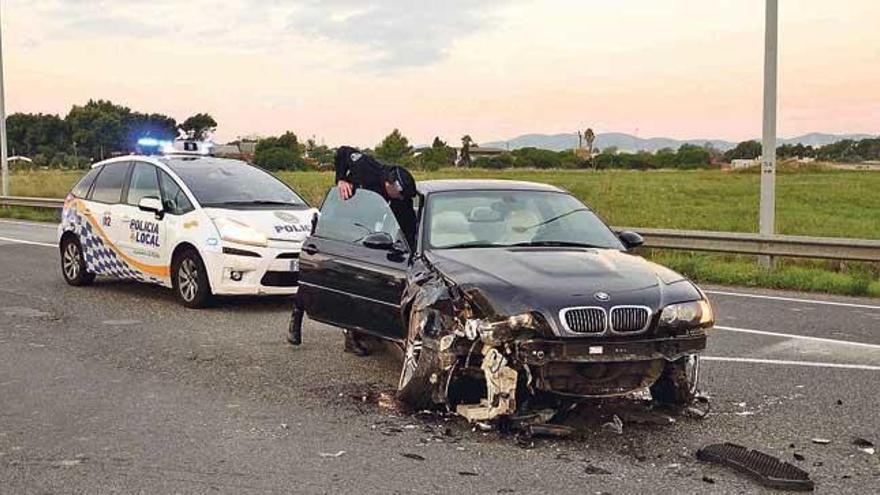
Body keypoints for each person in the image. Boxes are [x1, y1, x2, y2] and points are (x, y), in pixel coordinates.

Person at [287, 146, 418, 355]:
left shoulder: (402, 200)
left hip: (367, 227)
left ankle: (352, 336)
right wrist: (341, 178)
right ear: (389, 184)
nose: (402, 200)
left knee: (357, 281)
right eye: (400, 196)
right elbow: (342, 152)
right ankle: (296, 316)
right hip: (344, 216)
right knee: (317, 270)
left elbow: (408, 228)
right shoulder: (367, 167)